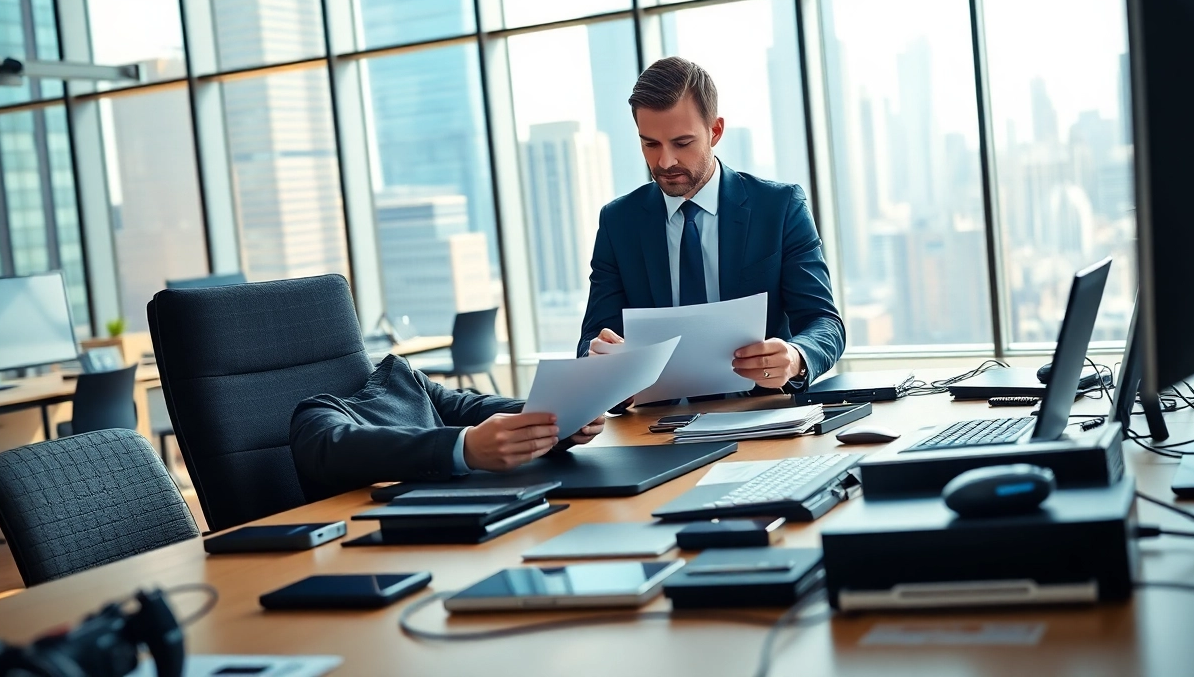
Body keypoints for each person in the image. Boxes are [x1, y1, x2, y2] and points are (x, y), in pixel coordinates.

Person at [578, 56, 845, 396]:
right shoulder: (619, 222)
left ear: (715, 131)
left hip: (761, 414)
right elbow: (592, 339)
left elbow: (824, 322)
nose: (665, 161)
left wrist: (794, 356)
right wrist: (600, 358)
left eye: (682, 143)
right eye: (650, 144)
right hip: (656, 429)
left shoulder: (778, 208)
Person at [290, 354, 603, 501]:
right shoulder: (315, 414)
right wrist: (465, 448)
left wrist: (560, 413)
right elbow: (333, 445)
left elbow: (469, 406)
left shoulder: (404, 380)